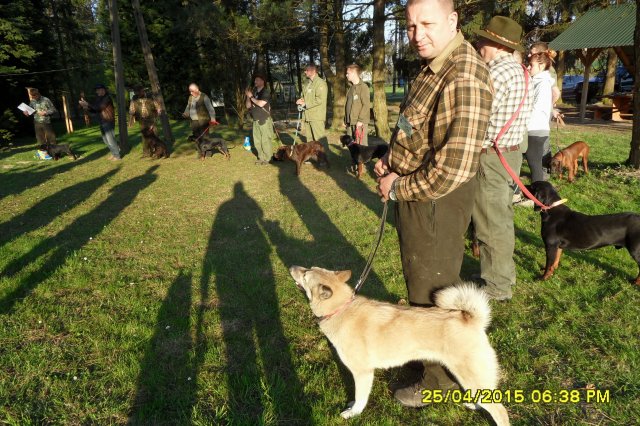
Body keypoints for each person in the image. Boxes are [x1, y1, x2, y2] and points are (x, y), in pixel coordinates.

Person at [374, 0, 492, 408]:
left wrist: (397, 186)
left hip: (436, 200)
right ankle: (426, 357)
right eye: (409, 25)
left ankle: (439, 380)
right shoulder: (433, 66)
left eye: (427, 23)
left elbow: (452, 169)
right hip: (417, 192)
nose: (417, 34)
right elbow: (415, 130)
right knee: (418, 283)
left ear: (453, 20)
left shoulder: (463, 75)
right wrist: (390, 161)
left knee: (433, 288)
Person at [471, 16, 533, 300]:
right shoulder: (520, 70)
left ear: (496, 44)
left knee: (490, 222)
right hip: (509, 153)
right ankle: (504, 275)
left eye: (483, 40)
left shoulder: (496, 72)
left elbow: (477, 117)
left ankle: (497, 287)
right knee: (501, 218)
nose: (479, 45)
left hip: (492, 157)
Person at [525, 50, 556, 183]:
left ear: (541, 66)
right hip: (535, 128)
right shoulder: (538, 81)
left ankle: (538, 195)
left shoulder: (542, 83)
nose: (528, 68)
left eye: (531, 65)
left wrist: (523, 122)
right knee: (533, 162)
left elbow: (537, 108)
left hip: (535, 129)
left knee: (534, 163)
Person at [79, 83, 121, 161]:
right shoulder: (98, 98)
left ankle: (117, 156)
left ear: (103, 90)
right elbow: (95, 110)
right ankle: (113, 153)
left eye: (98, 90)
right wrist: (86, 107)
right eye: (96, 90)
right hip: (102, 121)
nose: (96, 92)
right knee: (105, 140)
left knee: (110, 139)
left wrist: (87, 104)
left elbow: (99, 107)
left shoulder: (107, 98)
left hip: (108, 121)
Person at [295, 64, 328, 149]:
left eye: (307, 70)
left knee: (319, 140)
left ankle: (323, 160)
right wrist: (301, 100)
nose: (305, 72)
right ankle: (313, 158)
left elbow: (320, 99)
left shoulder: (320, 83)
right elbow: (306, 96)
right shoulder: (308, 83)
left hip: (316, 116)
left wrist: (305, 104)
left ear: (313, 71)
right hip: (308, 115)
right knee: (310, 140)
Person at [245, 73, 274, 165]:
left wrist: (251, 97)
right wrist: (248, 97)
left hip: (264, 119)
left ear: (262, 81)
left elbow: (261, 103)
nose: (255, 81)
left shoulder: (266, 92)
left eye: (257, 80)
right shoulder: (254, 92)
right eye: (255, 80)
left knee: (265, 139)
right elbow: (248, 106)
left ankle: (268, 158)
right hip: (255, 120)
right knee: (257, 140)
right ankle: (261, 157)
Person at [128, 85, 159, 157]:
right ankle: (147, 153)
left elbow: (157, 106)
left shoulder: (150, 96)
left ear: (143, 91)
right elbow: (132, 109)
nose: (137, 94)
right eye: (136, 92)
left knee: (155, 135)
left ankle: (157, 151)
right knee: (144, 136)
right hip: (142, 120)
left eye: (139, 92)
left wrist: (157, 113)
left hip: (151, 118)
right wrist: (131, 120)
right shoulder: (134, 98)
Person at [344, 64, 371, 146]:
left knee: (361, 147)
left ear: (354, 73)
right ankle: (354, 159)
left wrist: (360, 120)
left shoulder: (363, 87)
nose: (346, 75)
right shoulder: (351, 88)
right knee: (352, 147)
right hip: (350, 122)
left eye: (348, 73)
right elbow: (348, 104)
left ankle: (362, 159)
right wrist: (345, 120)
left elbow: (366, 105)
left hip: (359, 122)